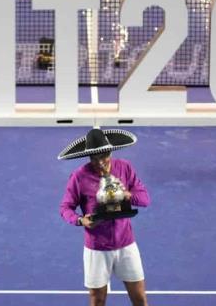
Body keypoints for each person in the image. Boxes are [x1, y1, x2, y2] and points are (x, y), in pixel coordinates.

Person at [59, 128, 151, 306]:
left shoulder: (124, 167)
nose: (100, 163)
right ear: (89, 158)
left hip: (126, 245)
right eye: (95, 159)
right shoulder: (79, 177)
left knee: (140, 299)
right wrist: (80, 220)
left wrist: (128, 195)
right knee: (97, 300)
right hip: (97, 248)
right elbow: (65, 208)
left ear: (110, 152)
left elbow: (145, 199)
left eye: (104, 157)